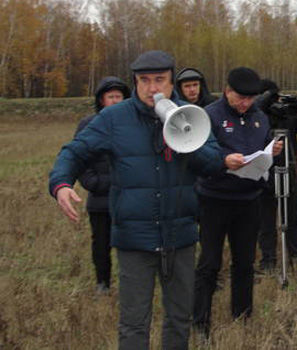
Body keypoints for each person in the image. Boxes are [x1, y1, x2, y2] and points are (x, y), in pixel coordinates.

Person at [49, 50, 227, 349]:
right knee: (133, 323)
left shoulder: (190, 116)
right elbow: (75, 151)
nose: (152, 88)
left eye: (160, 80)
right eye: (144, 81)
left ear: (173, 83)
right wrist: (61, 183)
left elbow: (212, 163)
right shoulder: (114, 118)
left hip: (179, 235)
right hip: (134, 239)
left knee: (179, 318)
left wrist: (183, 134)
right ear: (135, 83)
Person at [193, 67, 283, 334]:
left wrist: (273, 151)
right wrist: (223, 161)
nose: (246, 103)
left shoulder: (259, 117)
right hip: (214, 199)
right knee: (209, 263)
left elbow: (264, 149)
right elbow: (197, 155)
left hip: (249, 200)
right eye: (240, 97)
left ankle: (242, 316)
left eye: (250, 98)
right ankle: (200, 323)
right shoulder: (209, 116)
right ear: (227, 91)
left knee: (244, 262)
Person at [74, 76, 130, 294]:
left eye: (119, 96)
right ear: (101, 100)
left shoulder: (131, 125)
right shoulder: (88, 125)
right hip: (100, 199)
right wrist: (93, 182)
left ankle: (130, 283)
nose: (115, 101)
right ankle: (103, 283)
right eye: (111, 97)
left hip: (127, 198)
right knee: (101, 244)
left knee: (129, 244)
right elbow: (79, 159)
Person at [256, 79, 297, 270]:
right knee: (265, 221)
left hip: (288, 168)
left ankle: (296, 253)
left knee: (292, 217)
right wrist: (262, 104)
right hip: (264, 172)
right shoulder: (255, 115)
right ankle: (268, 259)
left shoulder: (286, 112)